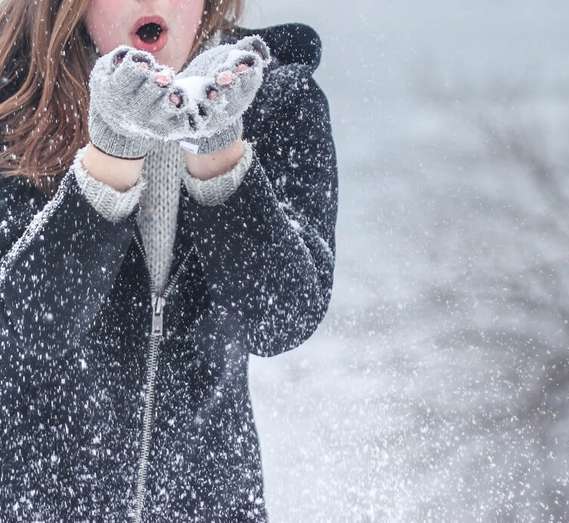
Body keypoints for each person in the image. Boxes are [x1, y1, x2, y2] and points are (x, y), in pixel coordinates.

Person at [0, 0, 338, 521]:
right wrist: (112, 153)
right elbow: (29, 323)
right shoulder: (13, 103)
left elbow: (281, 319)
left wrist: (219, 151)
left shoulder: (276, 102)